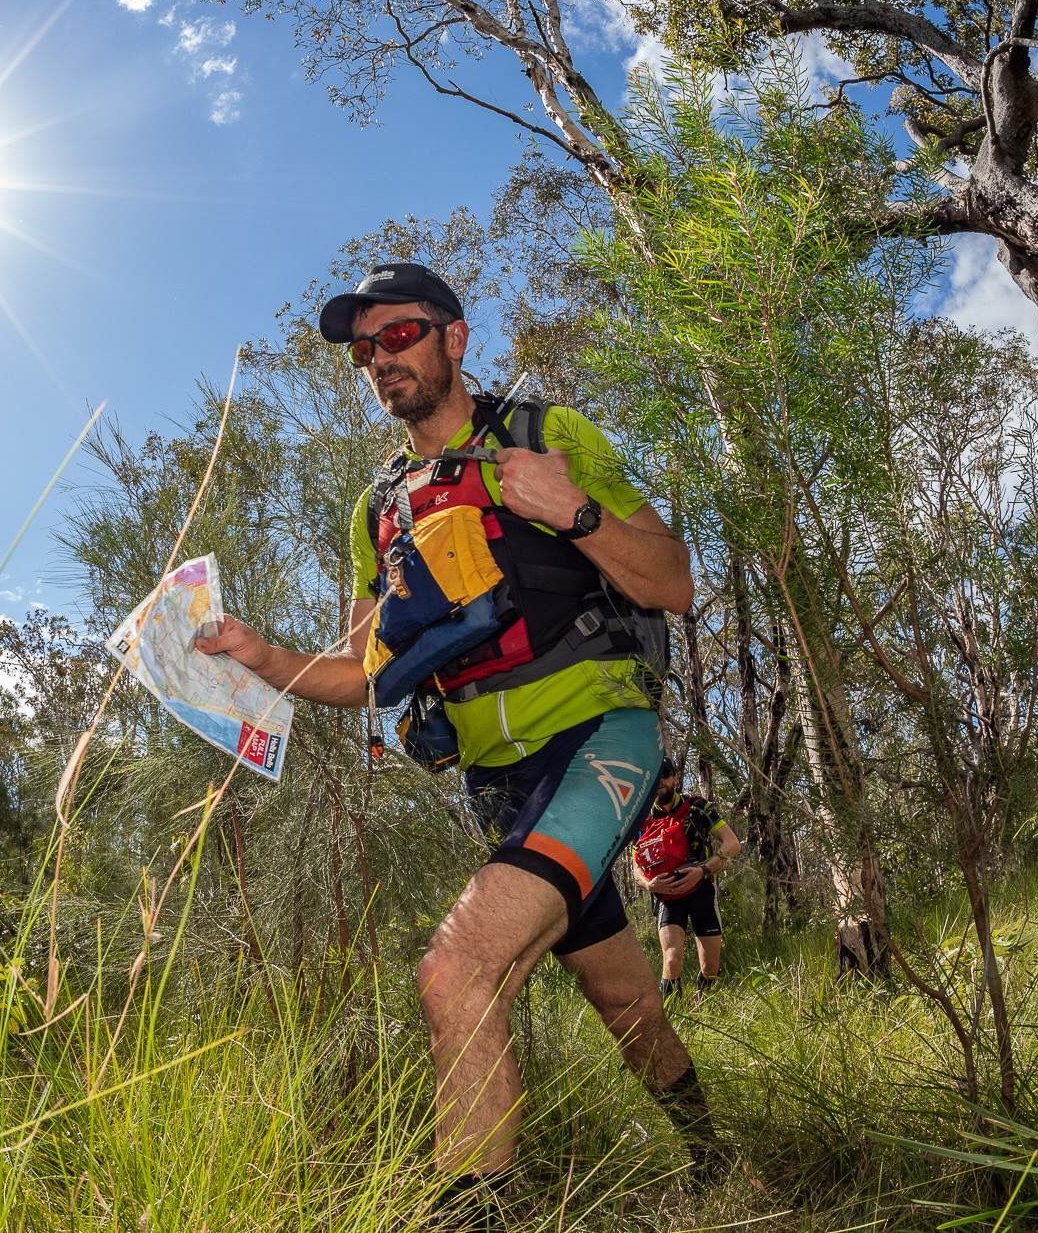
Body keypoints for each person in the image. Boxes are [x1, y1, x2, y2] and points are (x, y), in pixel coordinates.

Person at [195, 263, 725, 1224]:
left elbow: (675, 581)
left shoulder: (547, 437)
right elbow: (361, 671)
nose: (378, 358)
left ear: (456, 338)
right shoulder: (377, 510)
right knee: (626, 1002)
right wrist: (260, 653)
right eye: (364, 348)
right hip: (499, 787)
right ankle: (713, 1152)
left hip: (600, 736)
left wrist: (574, 510)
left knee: (457, 970)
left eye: (399, 335)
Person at [631, 759, 743, 1000]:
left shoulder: (697, 807)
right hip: (667, 896)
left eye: (666, 774)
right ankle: (671, 1016)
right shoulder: (641, 820)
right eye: (654, 776)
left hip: (701, 890)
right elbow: (635, 865)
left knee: (710, 967)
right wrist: (649, 884)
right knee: (671, 959)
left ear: (675, 778)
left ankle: (703, 1006)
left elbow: (732, 844)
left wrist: (702, 870)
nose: (660, 780)